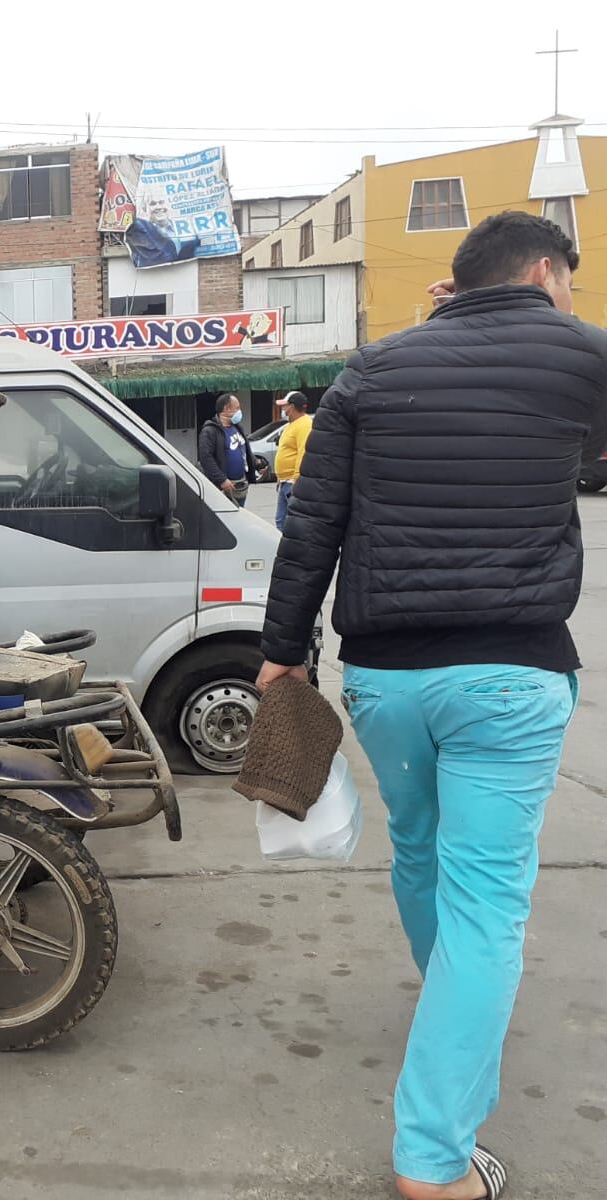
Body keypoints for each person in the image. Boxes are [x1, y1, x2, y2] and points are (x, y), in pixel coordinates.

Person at [257, 211, 607, 1200]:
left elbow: (312, 526)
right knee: (487, 907)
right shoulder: (584, 355)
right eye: (570, 280)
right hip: (509, 677)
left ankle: (452, 1009)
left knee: (421, 854)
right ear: (543, 271)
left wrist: (280, 657)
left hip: (386, 682)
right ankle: (433, 1160)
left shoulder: (370, 369)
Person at [198, 392, 249, 505]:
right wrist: (221, 479)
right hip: (223, 488)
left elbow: (243, 450)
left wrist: (257, 463)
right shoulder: (210, 431)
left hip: (240, 486)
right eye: (237, 408)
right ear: (226, 409)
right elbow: (206, 458)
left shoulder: (237, 428)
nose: (239, 411)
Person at [272, 390, 313, 531]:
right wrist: (279, 477)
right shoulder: (291, 424)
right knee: (281, 520)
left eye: (285, 405)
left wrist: (296, 478)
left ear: (292, 406)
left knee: (294, 521)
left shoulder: (304, 424)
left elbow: (303, 451)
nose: (282, 409)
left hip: (292, 482)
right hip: (284, 481)